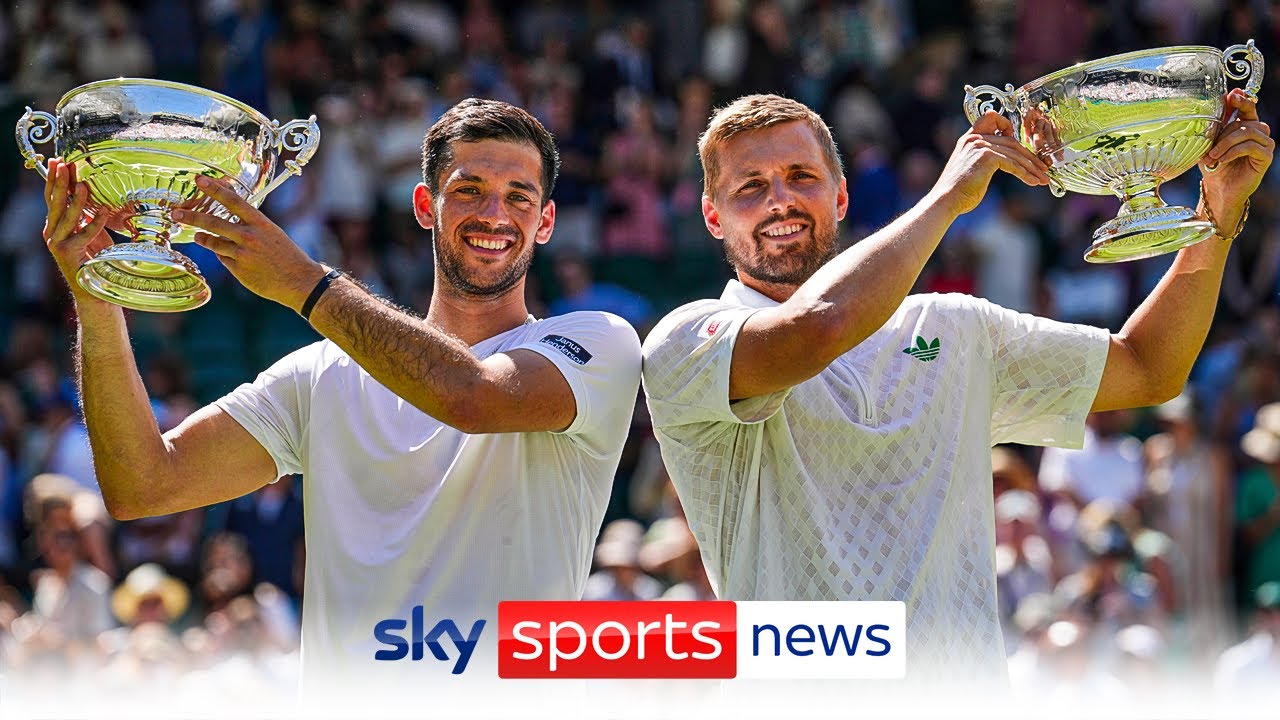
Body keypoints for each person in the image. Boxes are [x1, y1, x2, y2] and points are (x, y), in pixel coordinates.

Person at [641, 91, 1272, 691]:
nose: (780, 200)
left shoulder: (951, 327)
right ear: (712, 216)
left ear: (839, 196)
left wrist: (1215, 217)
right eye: (751, 187)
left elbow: (1149, 367)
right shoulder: (685, 342)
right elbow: (817, 328)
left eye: (801, 176)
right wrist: (946, 199)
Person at [41, 99, 641, 700]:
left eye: (519, 197)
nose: (494, 214)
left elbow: (471, 398)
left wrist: (303, 281)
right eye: (470, 190)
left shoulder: (598, 342)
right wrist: (95, 297)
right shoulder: (322, 374)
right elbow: (142, 485)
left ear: (546, 222)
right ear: (425, 207)